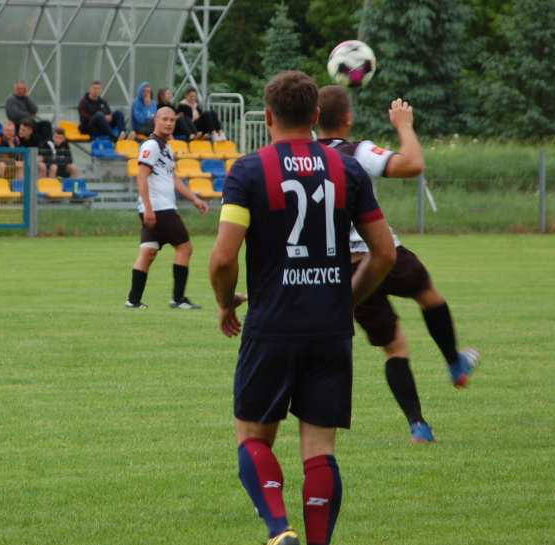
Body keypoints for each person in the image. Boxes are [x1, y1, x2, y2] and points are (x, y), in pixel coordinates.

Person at [209, 70, 395, 545]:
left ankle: (279, 530)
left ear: (268, 116)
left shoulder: (248, 171)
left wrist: (225, 302)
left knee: (252, 435)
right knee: (319, 448)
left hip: (272, 323)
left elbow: (223, 257)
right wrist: (347, 297)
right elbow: (385, 253)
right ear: (315, 117)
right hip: (329, 327)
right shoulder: (347, 170)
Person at [316, 85, 480, 443]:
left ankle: (417, 425)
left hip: (343, 266)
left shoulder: (307, 158)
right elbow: (413, 164)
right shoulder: (356, 150)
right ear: (348, 118)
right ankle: (454, 362)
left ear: (314, 119)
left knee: (394, 347)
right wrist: (404, 125)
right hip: (381, 252)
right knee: (429, 296)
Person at [125, 106, 208, 310]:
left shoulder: (166, 148)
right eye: (165, 119)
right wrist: (149, 208)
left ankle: (133, 301)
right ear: (156, 120)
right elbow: (141, 176)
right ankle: (178, 299)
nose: (169, 123)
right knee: (185, 248)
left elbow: (174, 179)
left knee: (148, 251)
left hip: (156, 208)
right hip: (159, 208)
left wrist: (194, 199)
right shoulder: (152, 145)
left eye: (172, 120)